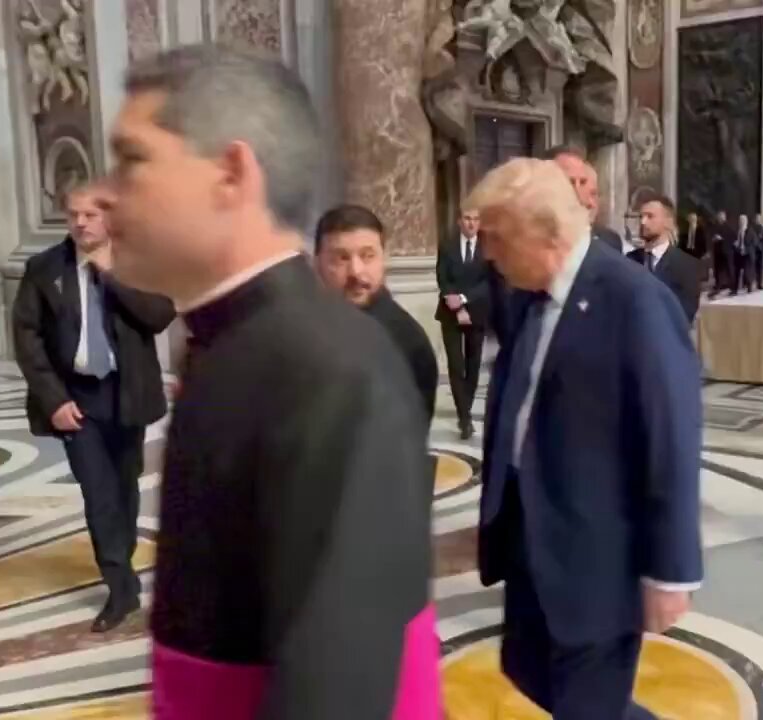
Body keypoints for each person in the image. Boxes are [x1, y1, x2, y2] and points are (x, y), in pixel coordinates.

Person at [104, 45, 439, 718]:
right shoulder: (234, 341)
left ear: (231, 173)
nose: (109, 192)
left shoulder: (327, 368)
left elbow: (335, 687)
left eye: (134, 159)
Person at [472, 158, 703, 719]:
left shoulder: (634, 301)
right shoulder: (529, 296)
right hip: (534, 538)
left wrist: (671, 571)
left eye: (497, 237)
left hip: (600, 558)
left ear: (545, 234)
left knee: (587, 706)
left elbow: (671, 436)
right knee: (525, 667)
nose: (486, 253)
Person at [12, 180, 176, 633]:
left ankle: (122, 567)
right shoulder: (45, 269)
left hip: (127, 395)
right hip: (76, 401)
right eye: (74, 215)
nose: (81, 223)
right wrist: (54, 400)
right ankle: (120, 588)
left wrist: (111, 276)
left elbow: (159, 315)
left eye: (91, 214)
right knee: (98, 493)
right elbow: (27, 339)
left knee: (124, 488)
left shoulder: (138, 261)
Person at [315, 204, 439, 428]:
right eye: (341, 258)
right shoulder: (298, 328)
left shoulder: (407, 341)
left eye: (367, 256)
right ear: (317, 263)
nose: (356, 271)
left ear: (384, 259)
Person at [436, 207, 491, 440]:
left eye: (476, 219)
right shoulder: (447, 245)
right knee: (456, 366)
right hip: (450, 313)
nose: (471, 223)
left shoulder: (487, 247)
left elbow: (488, 282)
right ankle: (464, 418)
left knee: (473, 365)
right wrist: (457, 306)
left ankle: (465, 410)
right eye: (467, 218)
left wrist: (465, 300)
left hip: (477, 312)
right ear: (459, 221)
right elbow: (442, 277)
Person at [628, 194, 702, 324]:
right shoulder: (628, 261)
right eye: (641, 217)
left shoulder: (687, 266)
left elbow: (684, 316)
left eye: (650, 216)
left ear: (668, 222)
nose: (643, 222)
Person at [545, 145, 628, 254]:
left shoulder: (609, 244)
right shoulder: (527, 239)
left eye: (582, 182)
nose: (579, 193)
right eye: (570, 182)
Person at [709, 210, 737, 298]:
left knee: (730, 270)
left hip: (727, 252)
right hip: (718, 252)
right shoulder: (715, 226)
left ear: (724, 217)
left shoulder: (729, 227)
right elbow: (711, 236)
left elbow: (733, 237)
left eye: (721, 216)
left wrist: (722, 238)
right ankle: (718, 287)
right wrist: (714, 239)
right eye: (718, 216)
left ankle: (733, 288)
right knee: (718, 271)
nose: (719, 218)